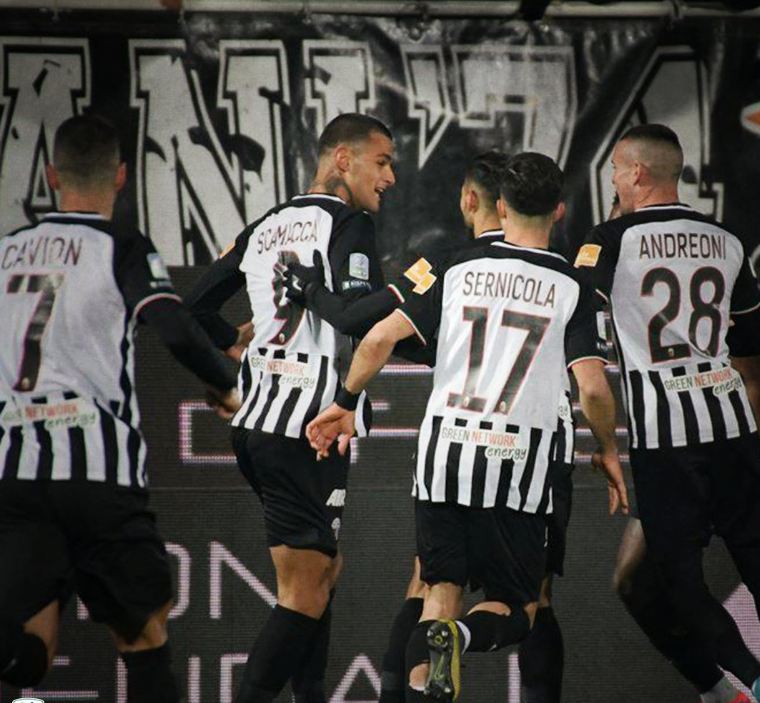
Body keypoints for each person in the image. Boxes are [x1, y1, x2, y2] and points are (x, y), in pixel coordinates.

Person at [305, 151, 628, 702]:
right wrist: (607, 449)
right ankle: (462, 637)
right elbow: (593, 387)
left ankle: (438, 645)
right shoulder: (570, 284)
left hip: (444, 457)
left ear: (500, 207)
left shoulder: (456, 266)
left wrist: (344, 401)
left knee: (438, 590)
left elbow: (379, 337)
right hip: (521, 466)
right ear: (559, 210)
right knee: (521, 608)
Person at [0, 114, 240, 702]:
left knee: (29, 656)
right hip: (97, 470)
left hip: (14, 472)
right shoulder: (119, 246)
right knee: (145, 629)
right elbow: (174, 328)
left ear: (52, 176)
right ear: (123, 176)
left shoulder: (5, 251)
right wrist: (228, 384)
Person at [185, 113, 397, 703]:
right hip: (307, 431)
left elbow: (195, 305)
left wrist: (235, 339)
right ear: (342, 160)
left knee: (323, 575)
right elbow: (360, 315)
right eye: (382, 162)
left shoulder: (264, 225)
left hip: (260, 427)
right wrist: (413, 299)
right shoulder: (348, 223)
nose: (391, 178)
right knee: (302, 592)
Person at [576, 123, 760, 702]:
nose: (612, 181)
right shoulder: (728, 239)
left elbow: (575, 313)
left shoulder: (611, 239)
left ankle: (752, 682)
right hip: (734, 426)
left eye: (613, 172)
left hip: (666, 441)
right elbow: (753, 362)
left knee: (678, 585)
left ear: (634, 173)